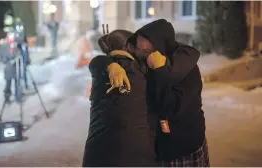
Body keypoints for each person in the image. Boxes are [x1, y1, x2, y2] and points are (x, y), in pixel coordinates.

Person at [103, 19, 210, 167]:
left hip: (183, 145)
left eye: (146, 51)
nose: (140, 54)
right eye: (138, 48)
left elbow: (168, 107)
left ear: (161, 48)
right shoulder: (141, 58)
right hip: (156, 147)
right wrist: (111, 65)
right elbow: (115, 58)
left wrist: (159, 71)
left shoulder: (187, 70)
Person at [82, 30, 157, 167]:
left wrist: (108, 64)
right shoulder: (145, 72)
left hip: (97, 155)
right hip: (139, 156)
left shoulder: (100, 72)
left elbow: (95, 62)